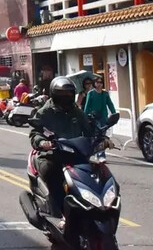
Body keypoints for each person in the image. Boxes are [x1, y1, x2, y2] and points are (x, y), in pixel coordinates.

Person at [29, 77, 96, 225]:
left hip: (75, 153)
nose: (65, 97)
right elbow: (35, 132)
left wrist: (101, 139)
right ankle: (61, 213)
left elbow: (89, 129)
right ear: (54, 94)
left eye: (68, 93)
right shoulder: (45, 111)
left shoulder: (76, 111)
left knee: (95, 173)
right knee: (53, 174)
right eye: (61, 93)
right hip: (52, 155)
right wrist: (42, 142)